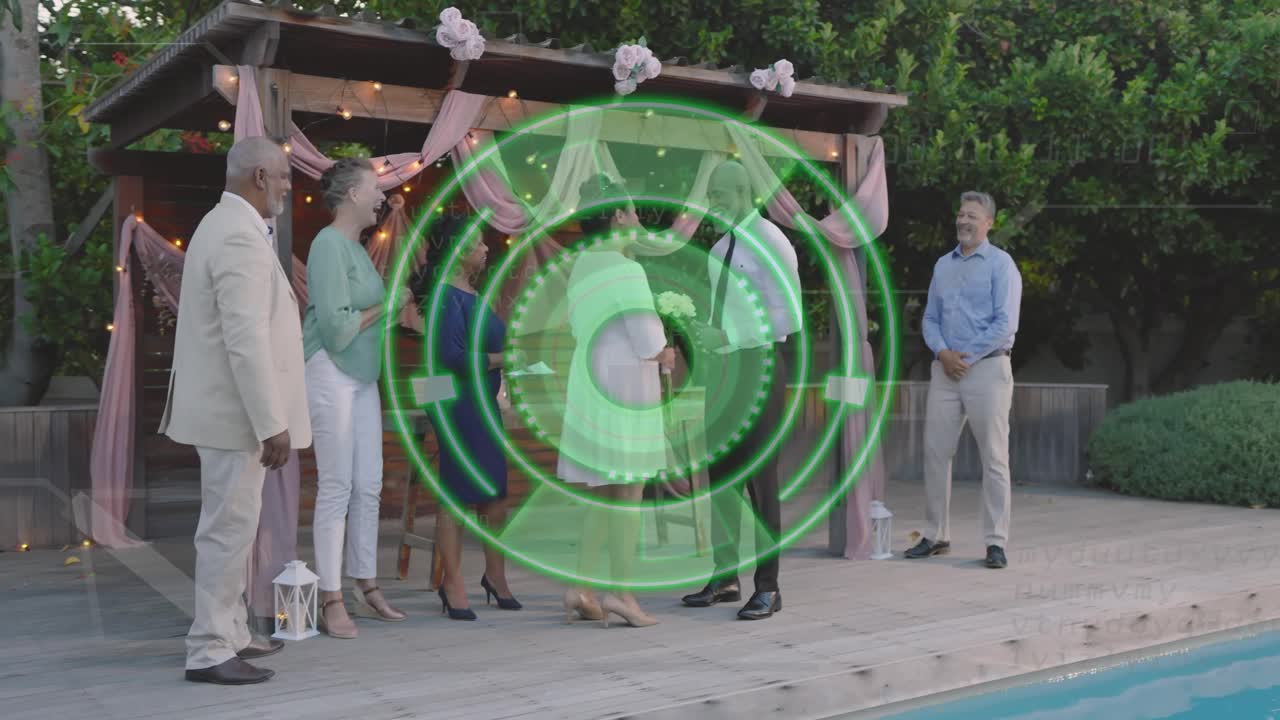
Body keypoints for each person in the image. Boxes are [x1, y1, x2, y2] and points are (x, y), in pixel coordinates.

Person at [161, 136, 310, 685]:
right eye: (285, 177)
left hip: (230, 411)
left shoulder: (223, 225)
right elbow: (244, 338)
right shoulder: (237, 236)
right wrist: (272, 423)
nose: (290, 188)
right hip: (235, 415)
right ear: (260, 177)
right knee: (226, 531)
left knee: (236, 528)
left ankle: (234, 632)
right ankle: (209, 650)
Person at [680, 160, 802, 621]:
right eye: (711, 195)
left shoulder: (772, 241)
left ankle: (768, 586)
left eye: (723, 194)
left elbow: (788, 317)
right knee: (720, 474)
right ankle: (724, 575)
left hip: (761, 366)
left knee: (759, 479)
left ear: (746, 193)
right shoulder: (717, 249)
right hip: (724, 373)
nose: (716, 203)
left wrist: (730, 339)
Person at [558, 173, 675, 628]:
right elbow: (646, 337)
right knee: (628, 493)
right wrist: (665, 350)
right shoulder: (628, 269)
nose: (637, 218)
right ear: (615, 216)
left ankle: (580, 586)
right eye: (630, 210)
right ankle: (621, 594)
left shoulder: (583, 264)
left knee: (601, 494)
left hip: (590, 382)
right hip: (625, 385)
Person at [303, 158, 409, 638]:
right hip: (331, 369)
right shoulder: (328, 246)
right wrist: (387, 305)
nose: (381, 195)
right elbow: (338, 329)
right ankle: (330, 598)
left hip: (364, 376)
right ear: (350, 195)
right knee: (337, 486)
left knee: (370, 484)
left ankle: (366, 581)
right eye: (374, 188)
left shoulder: (359, 248)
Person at [906, 191, 1022, 569]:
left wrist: (964, 358)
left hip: (987, 369)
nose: (963, 221)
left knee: (993, 457)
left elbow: (1005, 323)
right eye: (960, 214)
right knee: (936, 453)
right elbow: (930, 319)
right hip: (945, 371)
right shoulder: (943, 266)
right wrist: (943, 354)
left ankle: (995, 542)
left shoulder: (1002, 265)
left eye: (972, 215)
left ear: (989, 223)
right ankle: (936, 535)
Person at [425, 217, 521, 620]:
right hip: (457, 403)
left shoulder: (473, 293)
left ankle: (496, 578)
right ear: (458, 251)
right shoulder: (445, 296)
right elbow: (450, 357)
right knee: (459, 493)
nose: (486, 250)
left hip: (483, 400)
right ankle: (452, 583)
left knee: (496, 492)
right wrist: (502, 359)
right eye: (479, 244)